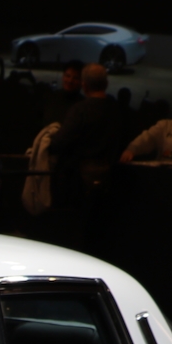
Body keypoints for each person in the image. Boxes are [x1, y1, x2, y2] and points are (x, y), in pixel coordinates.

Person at [47, 63, 126, 251]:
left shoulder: (80, 110)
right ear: (106, 83)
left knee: (72, 237)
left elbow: (59, 143)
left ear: (84, 84)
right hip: (110, 183)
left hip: (76, 185)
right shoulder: (118, 111)